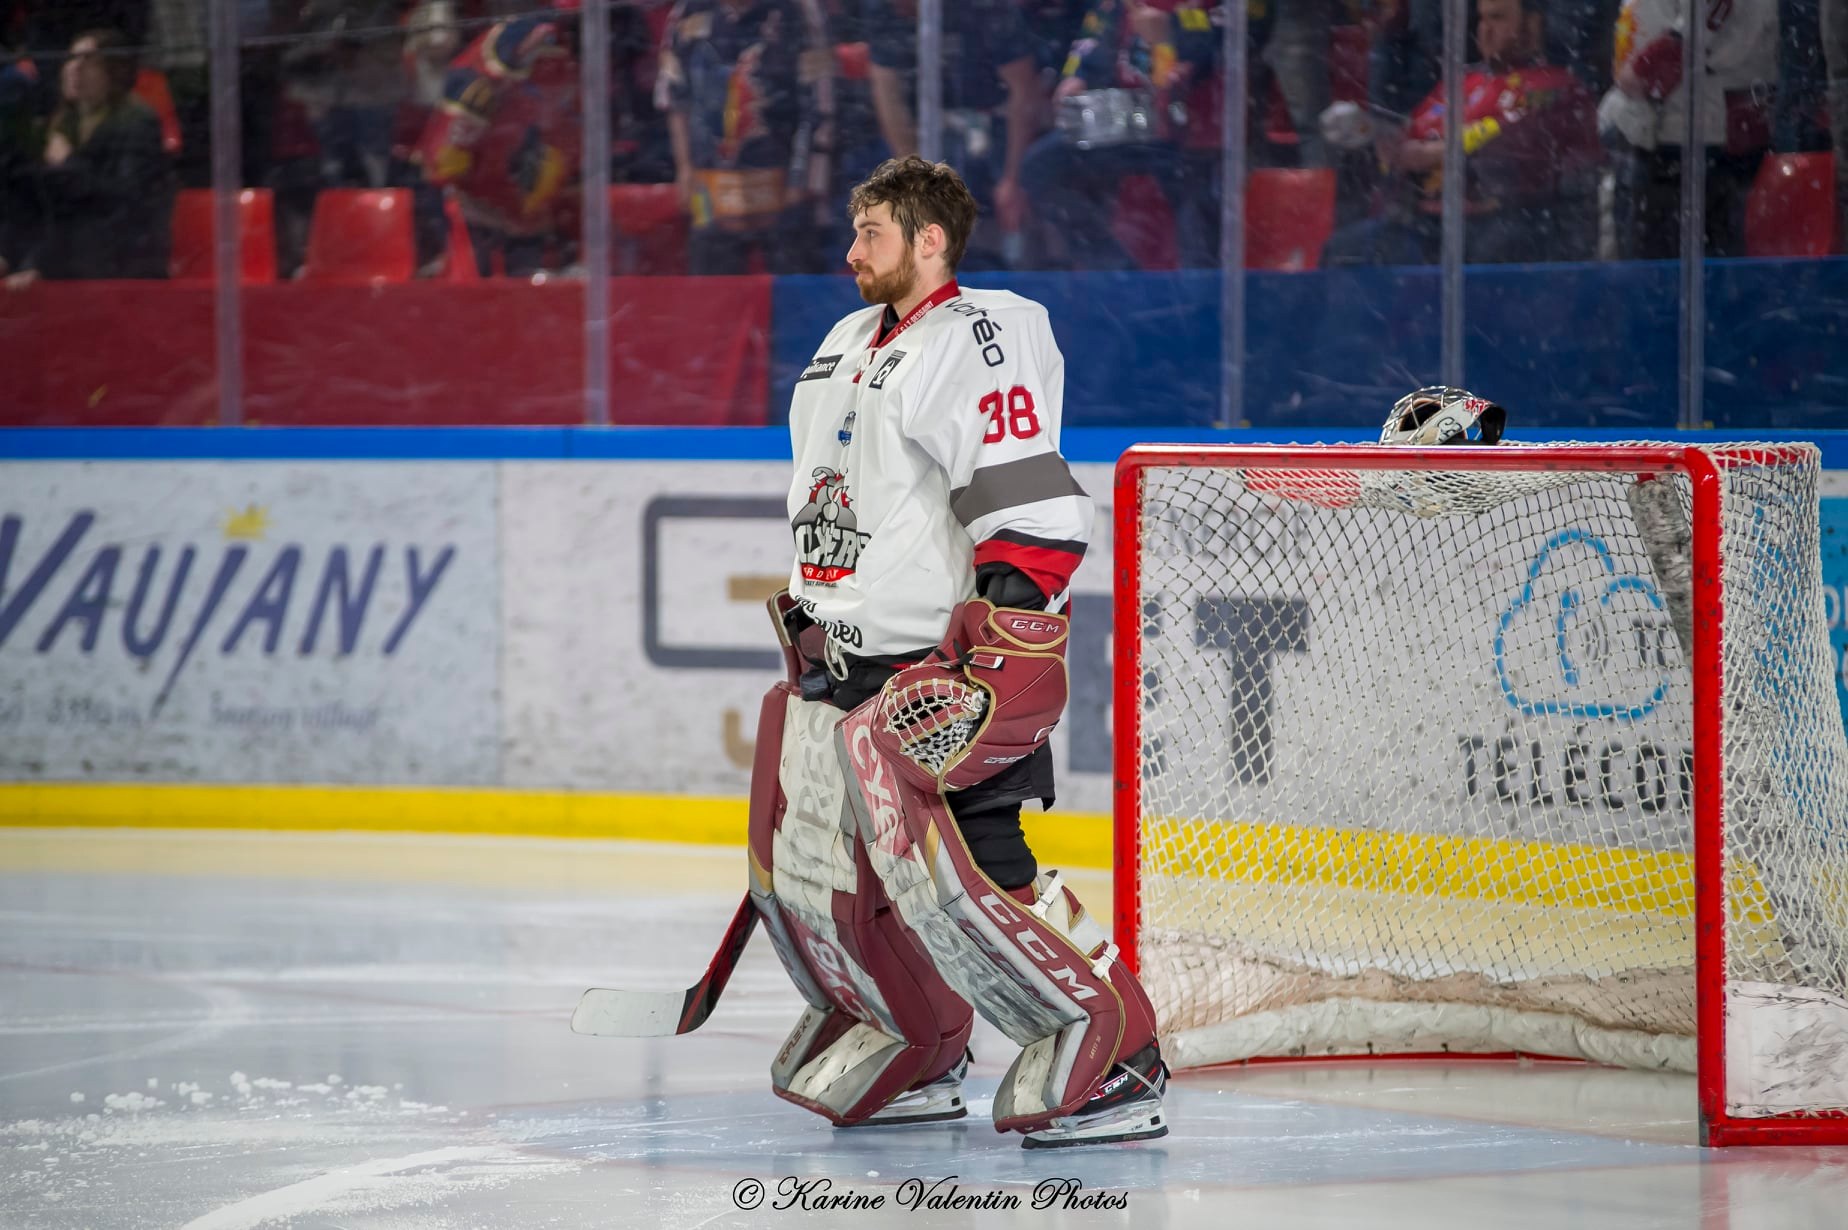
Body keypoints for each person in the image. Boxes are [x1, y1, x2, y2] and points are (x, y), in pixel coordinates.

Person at [756, 155, 1169, 1148]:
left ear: (930, 241)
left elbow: (1023, 495)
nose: (852, 251)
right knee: (830, 876)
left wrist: (1005, 634)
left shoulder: (986, 332)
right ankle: (919, 1042)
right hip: (845, 662)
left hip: (936, 673)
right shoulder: (847, 339)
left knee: (979, 871)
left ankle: (1118, 1050)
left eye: (874, 233)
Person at [1321, 0, 1602, 266]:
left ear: (1533, 23)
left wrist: (1429, 154)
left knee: (1484, 255)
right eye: (1482, 18)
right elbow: (1408, 134)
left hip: (1506, 220)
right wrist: (1378, 133)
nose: (1486, 29)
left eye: (1498, 17)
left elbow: (1512, 146)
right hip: (1429, 223)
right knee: (1345, 249)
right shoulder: (1463, 81)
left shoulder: (1554, 87)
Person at [654, 0, 836, 274]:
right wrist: (684, 168)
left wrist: (802, 181)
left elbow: (820, 103)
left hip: (783, 186)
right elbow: (675, 96)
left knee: (795, 294)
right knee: (714, 297)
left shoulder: (797, 10)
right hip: (712, 186)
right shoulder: (690, 10)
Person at [862, 0, 1046, 265]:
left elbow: (1023, 90)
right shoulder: (883, 11)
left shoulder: (986, 8)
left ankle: (1018, 271)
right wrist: (910, 173)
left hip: (994, 124)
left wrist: (1012, 178)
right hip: (922, 132)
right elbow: (888, 95)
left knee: (1023, 189)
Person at [1599, 0, 1779, 259]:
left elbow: (1703, 23)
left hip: (1687, 135)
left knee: (1667, 268)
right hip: (1664, 128)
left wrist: (1646, 70)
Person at [4, 28, 174, 288]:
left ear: (114, 72)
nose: (75, 68)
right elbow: (36, 201)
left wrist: (69, 163)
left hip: (115, 255)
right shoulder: (59, 123)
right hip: (64, 251)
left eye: (88, 61)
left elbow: (123, 200)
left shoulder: (136, 122)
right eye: (72, 59)